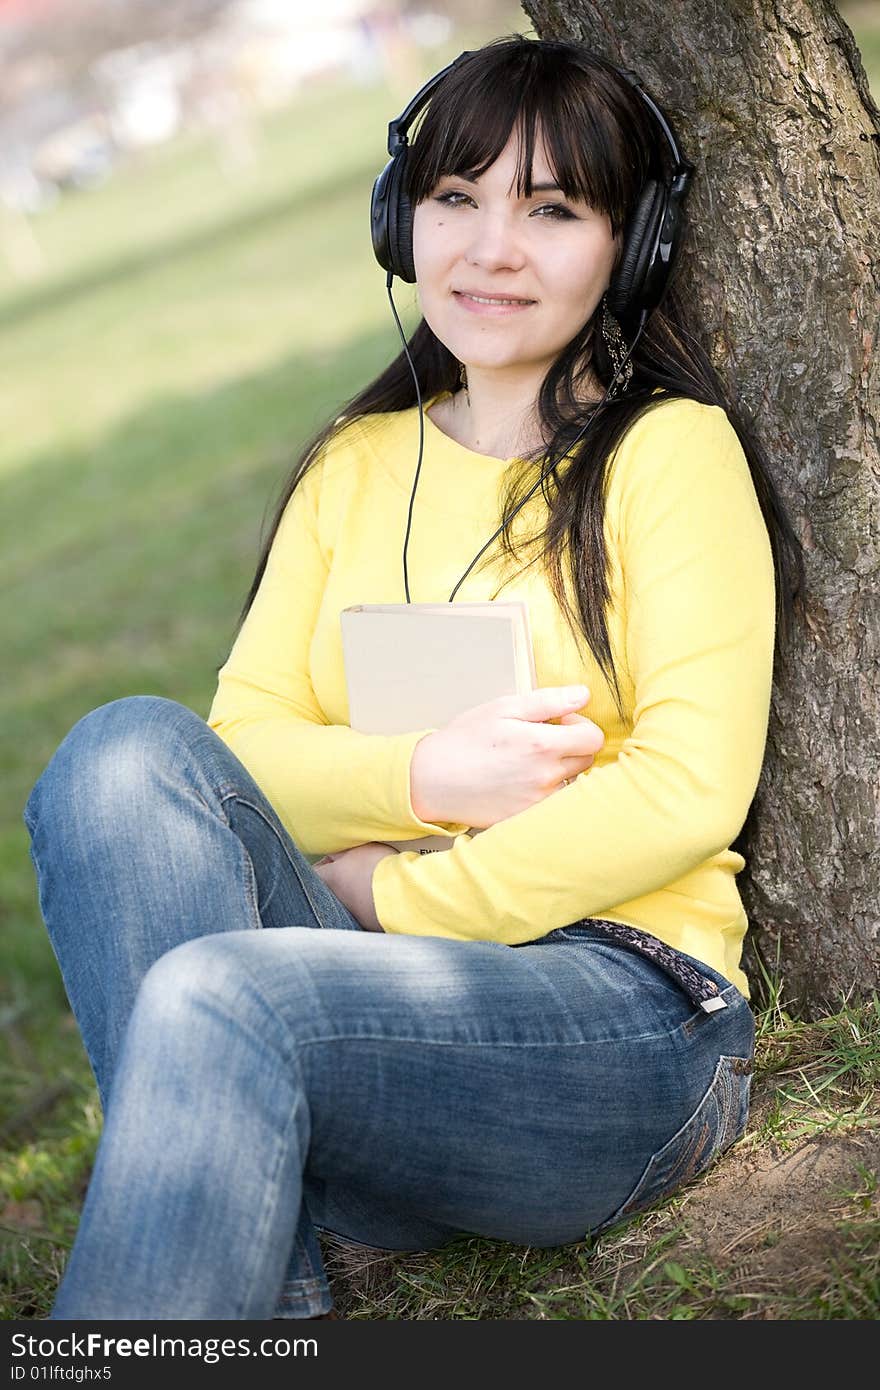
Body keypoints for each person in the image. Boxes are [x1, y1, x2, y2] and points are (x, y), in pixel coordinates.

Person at [23, 34, 805, 1321]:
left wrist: (397, 896)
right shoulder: (354, 465)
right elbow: (233, 754)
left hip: (617, 1023)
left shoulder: (671, 453)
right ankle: (261, 1313)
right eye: (456, 197)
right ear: (404, 220)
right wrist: (426, 773)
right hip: (363, 1045)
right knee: (119, 753)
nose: (489, 247)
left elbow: (683, 790)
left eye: (550, 210)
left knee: (222, 990)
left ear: (632, 245)